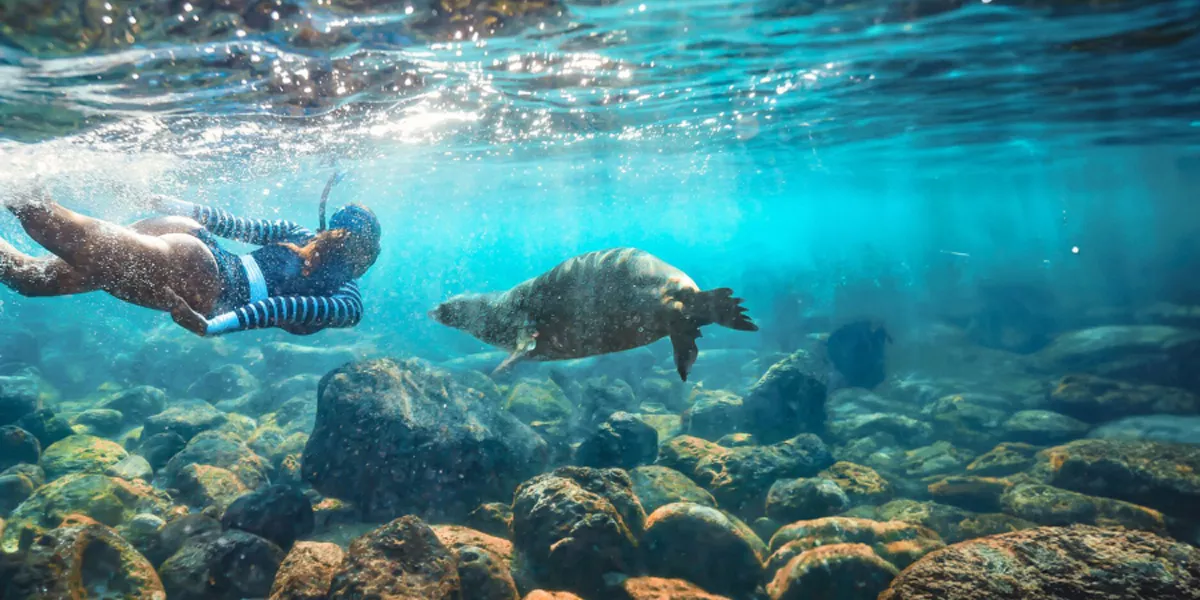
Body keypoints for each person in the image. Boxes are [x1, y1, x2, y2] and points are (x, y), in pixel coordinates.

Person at [0, 181, 381, 337]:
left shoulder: (300, 234)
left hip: (196, 239)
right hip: (201, 277)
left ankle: (18, 182)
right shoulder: (348, 302)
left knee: (29, 278)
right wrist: (211, 327)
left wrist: (165, 204)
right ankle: (15, 179)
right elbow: (280, 308)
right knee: (40, 219)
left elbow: (230, 225)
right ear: (366, 253)